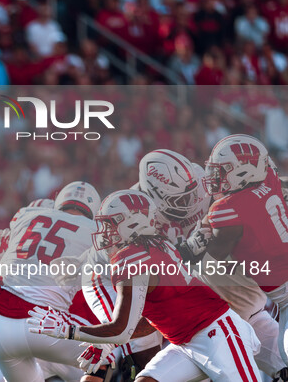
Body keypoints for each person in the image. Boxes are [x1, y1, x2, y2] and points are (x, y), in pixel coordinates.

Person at [28, 189, 262, 381]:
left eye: (111, 224)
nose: (105, 231)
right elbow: (148, 323)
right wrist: (108, 343)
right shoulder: (155, 246)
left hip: (217, 333)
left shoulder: (132, 258)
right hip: (184, 342)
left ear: (134, 224)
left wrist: (69, 331)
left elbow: (122, 327)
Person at [137, 148, 287, 378]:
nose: (188, 204)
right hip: (199, 324)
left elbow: (243, 203)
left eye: (191, 194)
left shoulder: (201, 180)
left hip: (238, 305)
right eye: (179, 199)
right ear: (154, 195)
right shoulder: (137, 217)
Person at [0, 181, 103, 382]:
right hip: (68, 336)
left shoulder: (26, 225)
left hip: (24, 330)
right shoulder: (94, 238)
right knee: (102, 361)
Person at [199, 134, 288, 368]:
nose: (215, 177)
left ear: (244, 172)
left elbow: (210, 263)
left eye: (222, 171)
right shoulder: (270, 179)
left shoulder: (228, 210)